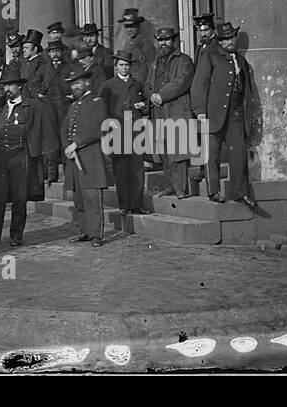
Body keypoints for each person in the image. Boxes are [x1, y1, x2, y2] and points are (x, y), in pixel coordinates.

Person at [190, 21, 256, 208]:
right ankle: (213, 191)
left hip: (235, 113)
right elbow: (199, 85)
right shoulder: (210, 56)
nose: (229, 42)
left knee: (239, 151)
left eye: (231, 37)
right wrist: (200, 111)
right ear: (219, 41)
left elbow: (246, 88)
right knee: (212, 154)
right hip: (213, 112)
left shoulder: (241, 61)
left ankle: (240, 191)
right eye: (225, 39)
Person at [0, 64, 43, 249]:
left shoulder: (28, 107)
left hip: (20, 156)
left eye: (11, 85)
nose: (7, 89)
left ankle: (16, 235)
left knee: (19, 198)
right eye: (5, 85)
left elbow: (37, 131)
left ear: (20, 86)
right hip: (0, 157)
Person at [143, 27, 196, 198]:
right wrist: (151, 96)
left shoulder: (184, 60)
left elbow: (182, 82)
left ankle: (181, 189)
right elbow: (148, 84)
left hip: (176, 110)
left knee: (177, 151)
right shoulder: (155, 62)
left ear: (173, 41)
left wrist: (161, 95)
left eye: (166, 40)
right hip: (158, 111)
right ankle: (171, 186)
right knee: (163, 151)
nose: (163, 43)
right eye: (160, 40)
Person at [62, 69, 112, 245]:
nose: (74, 87)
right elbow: (64, 129)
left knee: (92, 199)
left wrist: (76, 143)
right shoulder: (73, 106)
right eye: (72, 84)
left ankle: (96, 234)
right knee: (79, 200)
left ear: (87, 83)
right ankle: (85, 231)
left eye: (77, 83)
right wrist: (67, 146)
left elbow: (97, 127)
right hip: (73, 159)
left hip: (90, 159)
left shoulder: (97, 102)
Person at [102, 49, 148, 223]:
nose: (124, 68)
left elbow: (146, 105)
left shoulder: (137, 84)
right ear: (116, 67)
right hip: (117, 132)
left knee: (137, 168)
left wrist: (143, 106)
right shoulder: (108, 86)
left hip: (135, 130)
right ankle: (124, 205)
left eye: (127, 65)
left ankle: (137, 204)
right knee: (121, 170)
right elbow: (101, 109)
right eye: (121, 65)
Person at [39, 40, 71, 183]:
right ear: (49, 53)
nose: (55, 54)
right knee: (50, 141)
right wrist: (39, 96)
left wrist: (71, 96)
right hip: (49, 107)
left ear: (62, 52)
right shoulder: (44, 68)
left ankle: (68, 172)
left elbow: (75, 82)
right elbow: (33, 84)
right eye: (52, 51)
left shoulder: (69, 67)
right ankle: (52, 174)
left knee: (65, 138)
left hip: (64, 106)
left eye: (58, 51)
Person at [114, 9, 155, 84]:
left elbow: (152, 68)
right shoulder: (125, 43)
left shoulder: (145, 43)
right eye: (127, 27)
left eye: (132, 26)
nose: (129, 30)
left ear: (138, 26)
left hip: (140, 84)